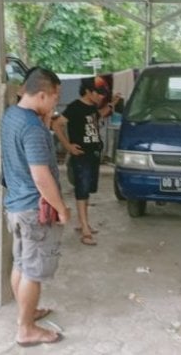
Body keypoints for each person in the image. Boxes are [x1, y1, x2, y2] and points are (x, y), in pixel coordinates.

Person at [0, 67, 70, 347]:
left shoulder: (12, 116)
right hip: (33, 210)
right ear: (41, 94)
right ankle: (26, 328)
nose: (56, 103)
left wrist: (45, 119)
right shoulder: (32, 128)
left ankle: (26, 312)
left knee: (21, 262)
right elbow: (41, 177)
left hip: (15, 205)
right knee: (33, 271)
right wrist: (62, 208)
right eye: (54, 97)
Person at [52, 76, 120, 246]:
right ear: (88, 91)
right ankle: (85, 229)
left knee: (87, 190)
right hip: (81, 156)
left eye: (103, 94)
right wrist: (68, 146)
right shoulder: (75, 107)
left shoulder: (92, 108)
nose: (101, 97)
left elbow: (100, 115)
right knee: (81, 192)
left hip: (93, 154)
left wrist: (113, 103)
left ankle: (83, 223)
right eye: (99, 93)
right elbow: (56, 125)